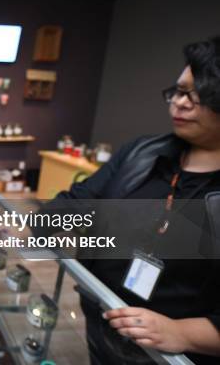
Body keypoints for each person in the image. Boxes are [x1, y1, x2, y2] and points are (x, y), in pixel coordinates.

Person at [47, 37, 220, 364]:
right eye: (178, 91)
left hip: (168, 354)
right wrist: (33, 226)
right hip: (101, 316)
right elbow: (77, 202)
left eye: (197, 95)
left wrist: (181, 332)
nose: (180, 103)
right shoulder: (141, 153)